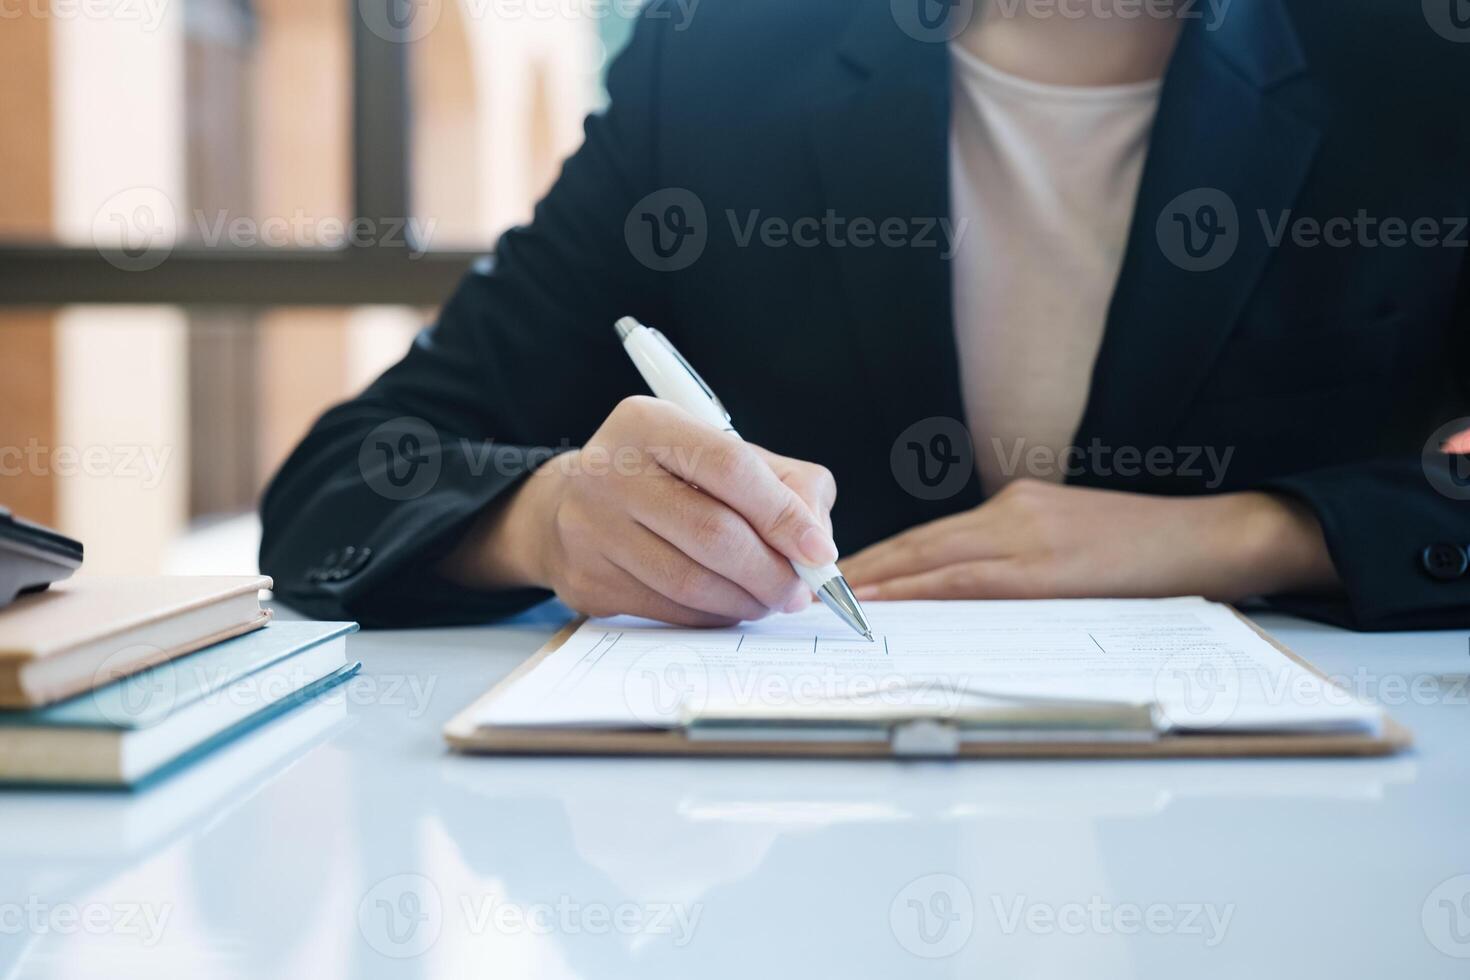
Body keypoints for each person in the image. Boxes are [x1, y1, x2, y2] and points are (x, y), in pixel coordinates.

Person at [260, 0, 1470, 631]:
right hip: (803, 844)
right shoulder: (722, 65)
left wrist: (1255, 534)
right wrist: (547, 522)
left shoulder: (1418, 65)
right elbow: (340, 484)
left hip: (1294, 843)